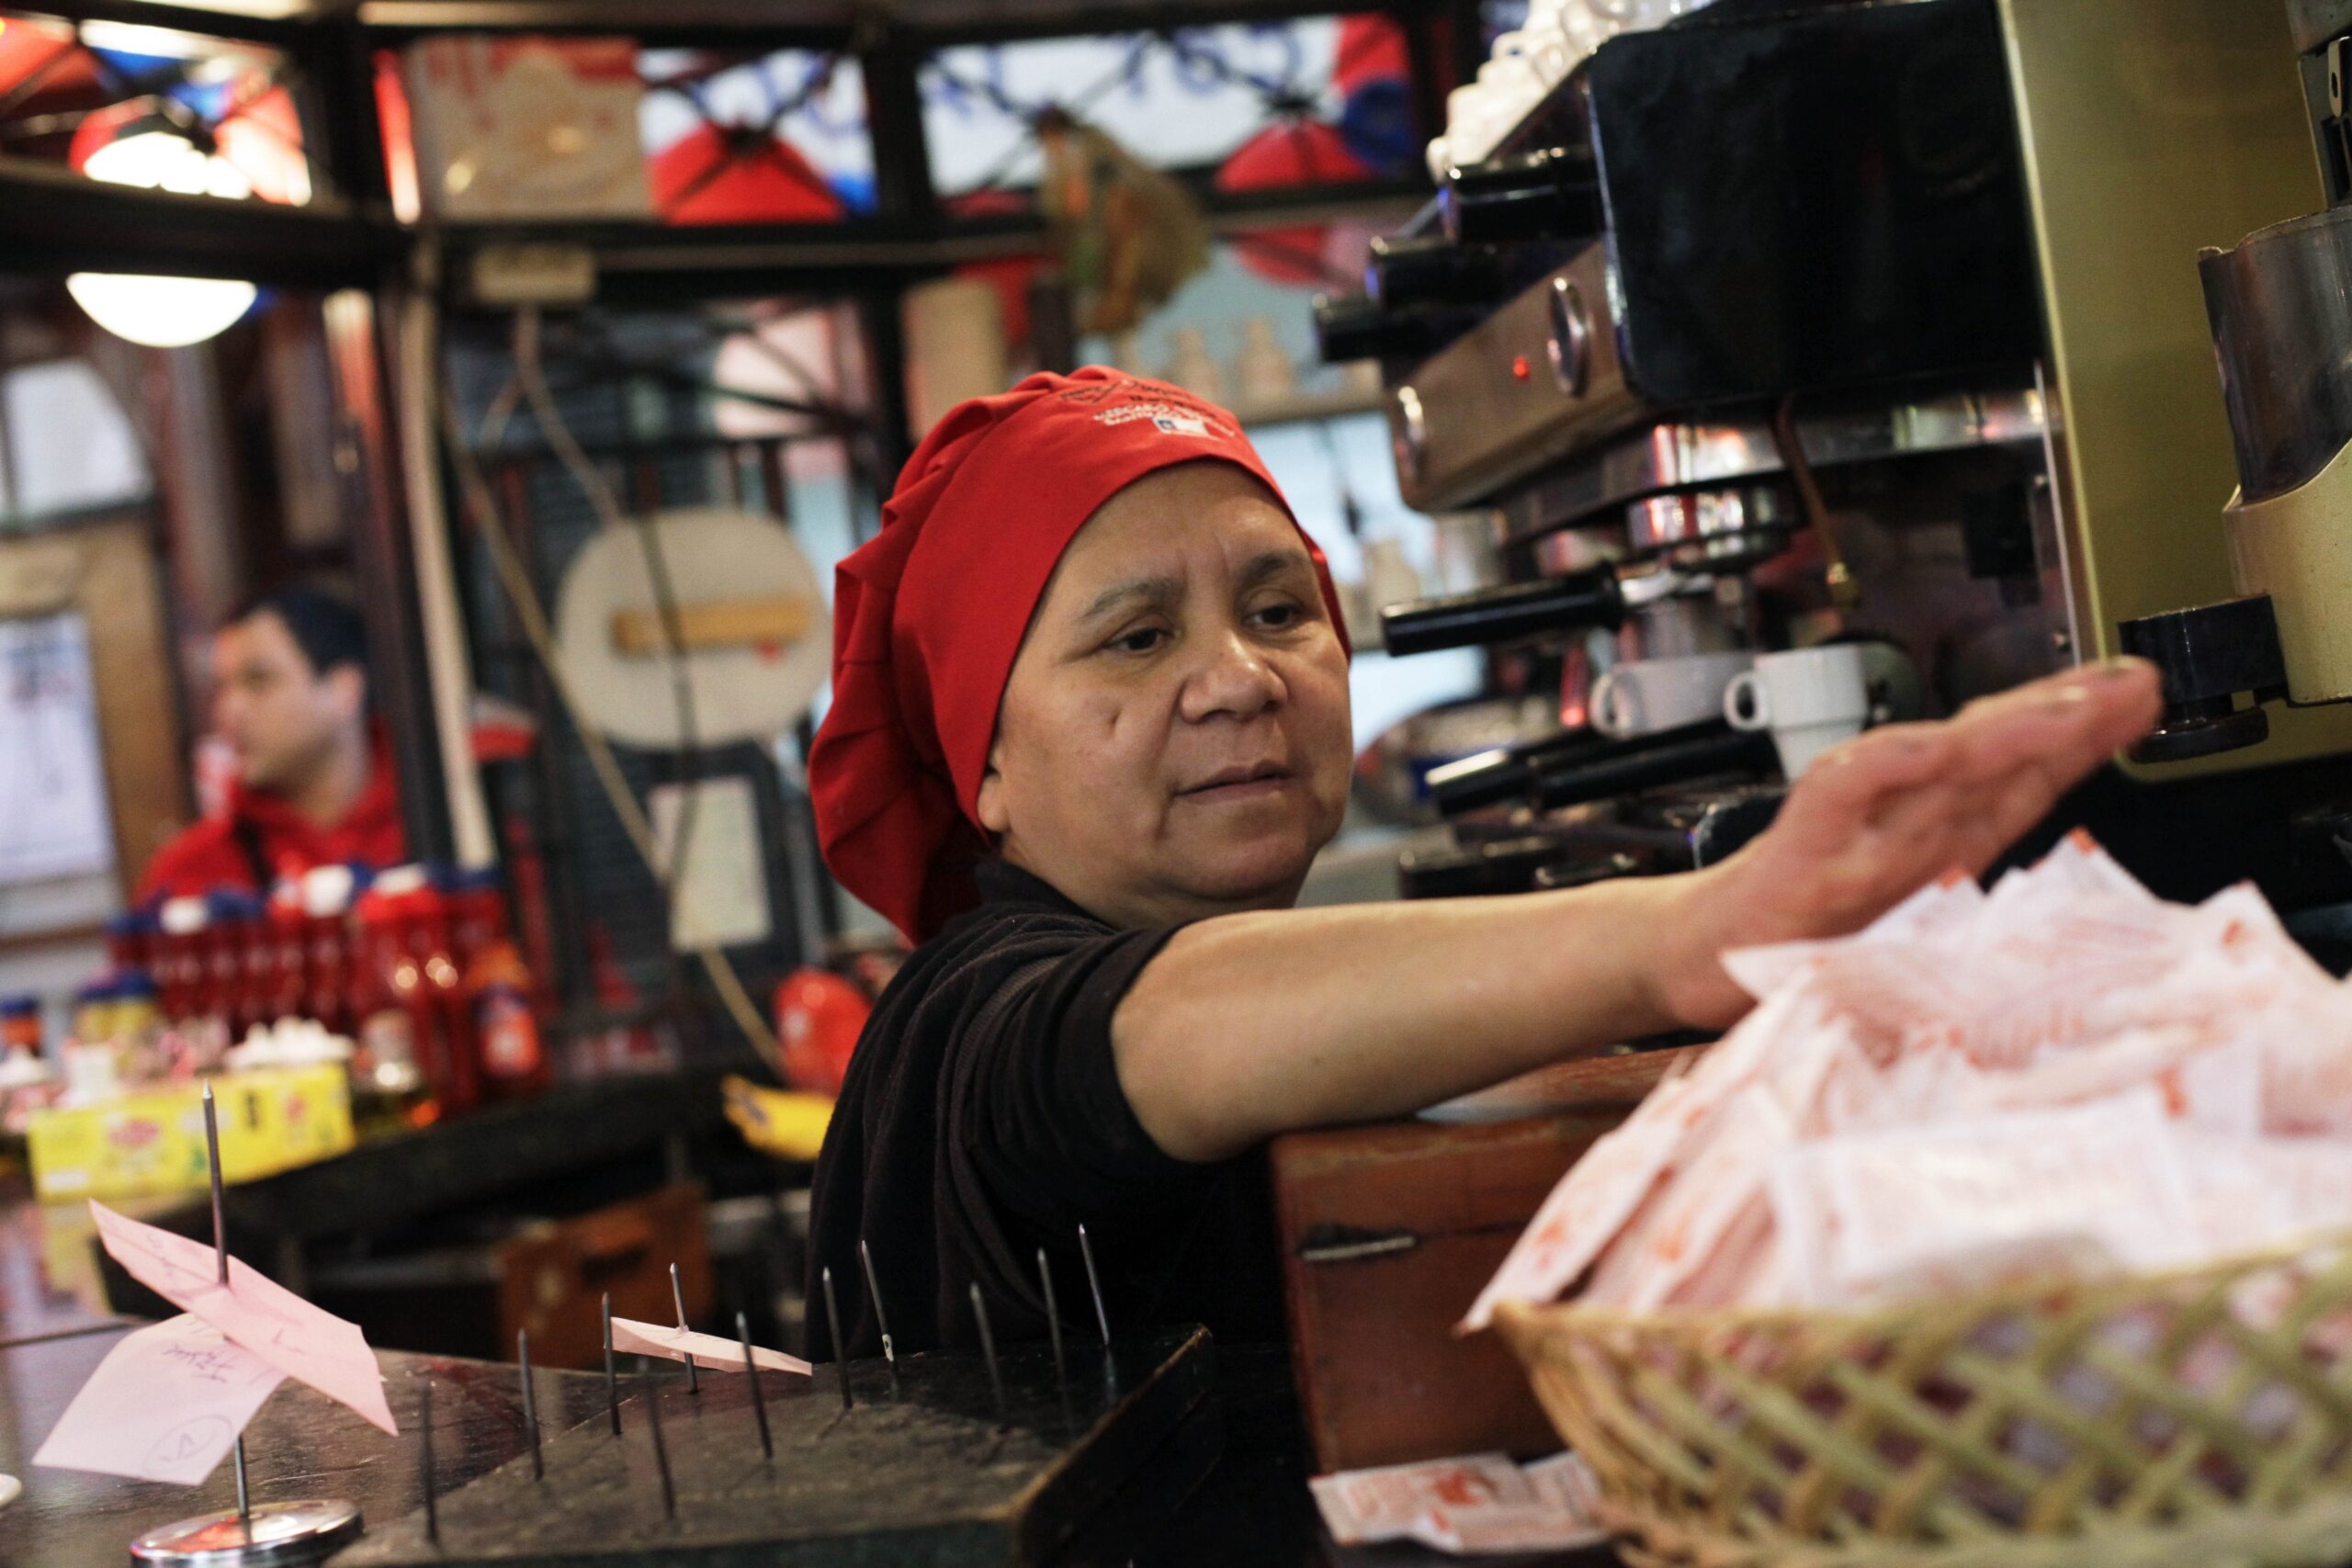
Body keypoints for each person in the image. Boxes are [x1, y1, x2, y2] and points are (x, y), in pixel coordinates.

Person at [802, 368, 2160, 1359]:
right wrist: (1698, 925)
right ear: (983, 760)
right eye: (1136, 638)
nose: (1239, 679)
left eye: (1280, 611)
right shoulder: (963, 1024)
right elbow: (1158, 1023)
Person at [138, 587, 405, 901]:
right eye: (221, 689)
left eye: (258, 680)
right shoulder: (191, 879)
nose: (228, 712)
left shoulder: (441, 821)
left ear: (344, 689)